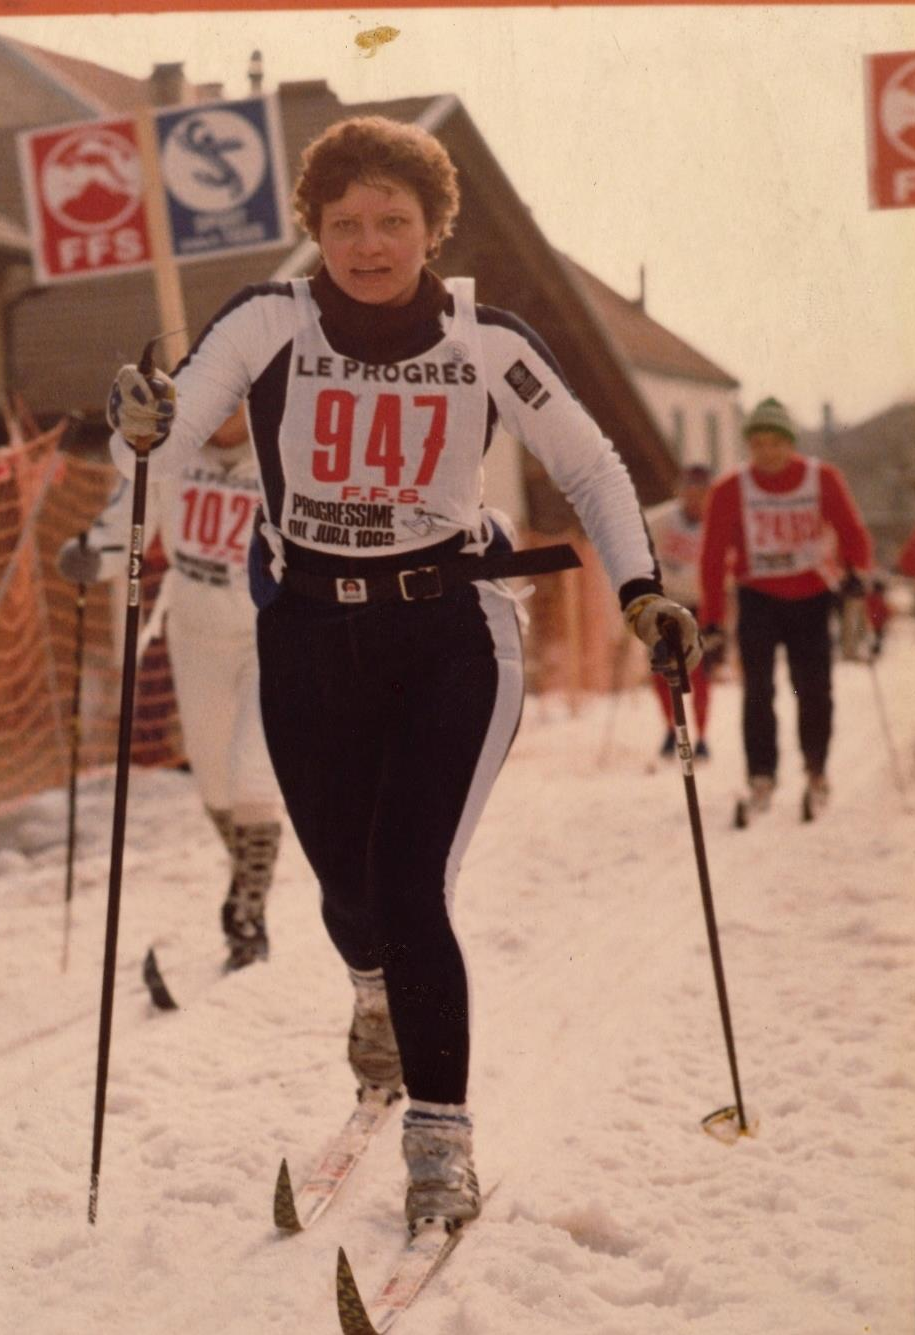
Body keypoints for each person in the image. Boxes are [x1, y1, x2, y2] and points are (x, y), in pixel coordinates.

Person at [104, 116, 700, 1234]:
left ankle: (441, 1141)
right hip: (311, 639)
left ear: (434, 228)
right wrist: (139, 428)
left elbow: (591, 461)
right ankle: (372, 994)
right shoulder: (268, 321)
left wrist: (640, 590)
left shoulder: (487, 340)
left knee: (411, 887)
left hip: (448, 639)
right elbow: (171, 432)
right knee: (346, 896)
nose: (368, 244)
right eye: (344, 224)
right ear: (313, 231)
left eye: (392, 221)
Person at [58, 410, 283, 970]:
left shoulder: (283, 452)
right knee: (213, 782)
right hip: (196, 636)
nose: (221, 413)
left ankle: (249, 916)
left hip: (269, 636)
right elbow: (125, 528)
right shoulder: (170, 457)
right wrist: (92, 555)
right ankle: (244, 876)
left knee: (252, 771)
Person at [698, 396, 872, 817]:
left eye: (776, 443)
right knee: (757, 689)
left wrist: (857, 573)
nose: (767, 453)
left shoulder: (822, 478)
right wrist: (713, 622)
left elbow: (853, 533)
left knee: (813, 688)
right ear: (749, 447)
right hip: (758, 597)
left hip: (812, 595)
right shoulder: (730, 489)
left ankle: (816, 767)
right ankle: (761, 774)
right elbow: (712, 557)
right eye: (758, 444)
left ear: (790, 443)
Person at [644, 463, 715, 760]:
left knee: (699, 672)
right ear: (680, 491)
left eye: (702, 492)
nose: (695, 498)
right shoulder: (661, 519)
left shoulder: (716, 522)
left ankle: (700, 736)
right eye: (690, 490)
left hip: (701, 604)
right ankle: (672, 730)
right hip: (666, 601)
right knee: (662, 670)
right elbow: (639, 545)